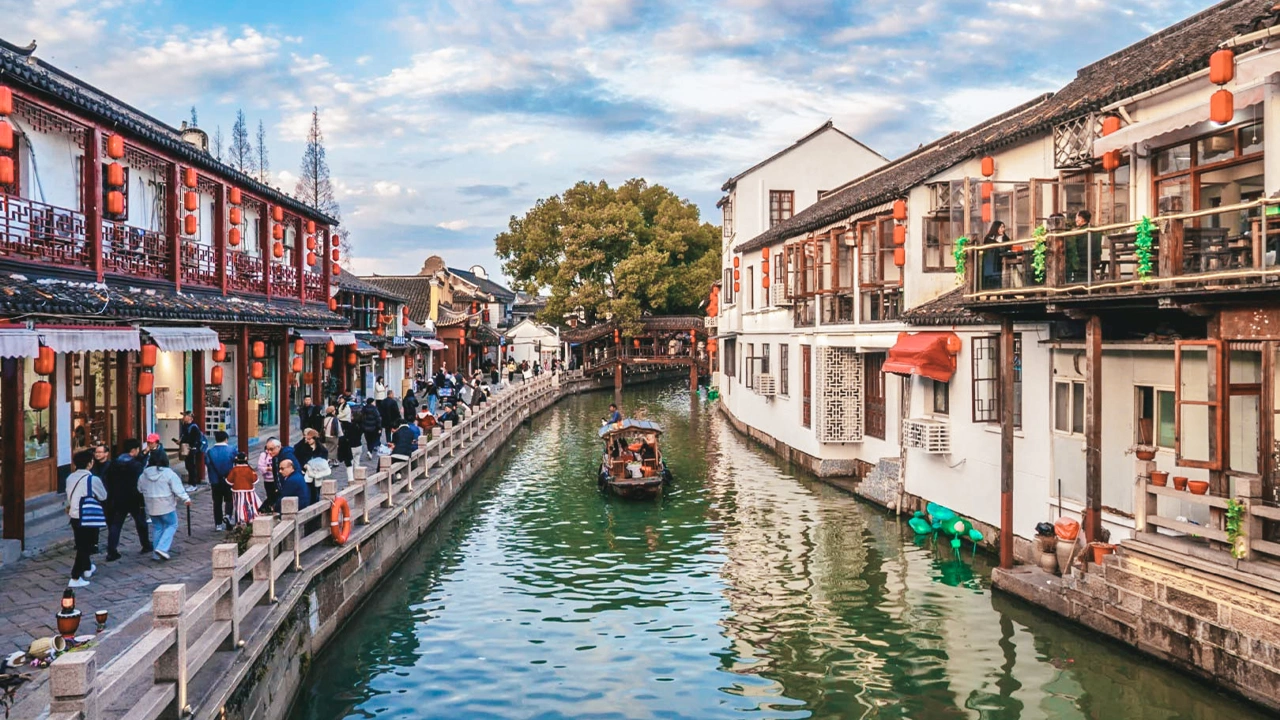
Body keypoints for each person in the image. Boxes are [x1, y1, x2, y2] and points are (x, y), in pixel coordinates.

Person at [137, 451, 190, 561]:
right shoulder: (168, 473)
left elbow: (139, 488)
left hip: (151, 505)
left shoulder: (144, 474)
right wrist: (186, 499)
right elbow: (177, 488)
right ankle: (162, 548)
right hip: (166, 504)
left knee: (158, 527)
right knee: (172, 524)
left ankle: (156, 554)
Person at [66, 449, 107, 588]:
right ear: (90, 463)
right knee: (85, 547)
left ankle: (87, 568)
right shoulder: (93, 479)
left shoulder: (70, 478)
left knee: (81, 543)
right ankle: (75, 577)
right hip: (88, 516)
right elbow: (103, 496)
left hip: (74, 514)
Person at [105, 438, 150, 561]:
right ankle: (146, 544)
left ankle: (111, 551)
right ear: (134, 450)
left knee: (116, 525)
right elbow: (141, 481)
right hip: (134, 497)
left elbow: (108, 480)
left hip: (118, 497)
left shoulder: (114, 463)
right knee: (141, 522)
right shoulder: (135, 465)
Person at [204, 430, 236, 530]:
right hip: (228, 479)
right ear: (226, 439)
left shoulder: (210, 452)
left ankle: (218, 524)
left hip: (215, 480)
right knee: (229, 499)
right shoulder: (231, 449)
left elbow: (207, 464)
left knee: (217, 502)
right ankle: (228, 516)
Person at [294, 428, 330, 504]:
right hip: (306, 473)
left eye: (309, 439)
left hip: (317, 473)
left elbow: (324, 460)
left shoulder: (321, 449)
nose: (307, 440)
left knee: (316, 492)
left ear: (315, 439)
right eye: (306, 439)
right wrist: (303, 465)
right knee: (307, 491)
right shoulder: (303, 447)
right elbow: (298, 456)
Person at [227, 452, 259, 527]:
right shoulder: (249, 469)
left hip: (237, 490)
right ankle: (250, 518)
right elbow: (254, 480)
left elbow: (229, 481)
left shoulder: (234, 469)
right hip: (248, 490)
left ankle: (240, 520)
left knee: (239, 505)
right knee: (249, 505)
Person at [178, 410, 206, 484]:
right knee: (188, 466)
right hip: (187, 448)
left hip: (191, 449)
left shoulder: (193, 427)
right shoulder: (185, 426)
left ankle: (193, 483)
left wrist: (185, 442)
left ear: (190, 417)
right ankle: (191, 482)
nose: (183, 417)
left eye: (185, 416)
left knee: (191, 466)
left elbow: (193, 439)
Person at [980, 221, 1009, 291]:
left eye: (1003, 227)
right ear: (996, 228)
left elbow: (1008, 247)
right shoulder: (988, 238)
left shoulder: (1005, 238)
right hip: (989, 262)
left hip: (1000, 261)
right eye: (1001, 227)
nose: (1003, 229)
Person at [257, 442, 277, 513]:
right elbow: (260, 467)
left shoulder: (277, 453)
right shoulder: (263, 455)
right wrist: (267, 469)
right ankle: (264, 508)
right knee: (270, 496)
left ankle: (269, 508)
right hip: (267, 479)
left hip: (276, 478)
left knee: (276, 495)